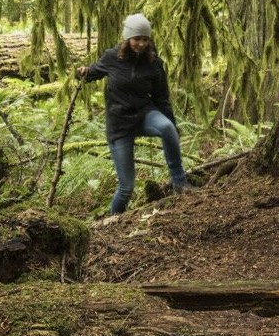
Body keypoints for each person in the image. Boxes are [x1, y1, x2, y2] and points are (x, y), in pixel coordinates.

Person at [77, 13, 193, 216]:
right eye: (137, 39)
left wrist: (172, 124)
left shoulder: (154, 63)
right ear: (128, 38)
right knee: (126, 188)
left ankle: (179, 181)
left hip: (144, 114)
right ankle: (112, 222)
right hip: (119, 125)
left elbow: (161, 96)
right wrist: (84, 72)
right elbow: (93, 72)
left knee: (167, 128)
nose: (140, 43)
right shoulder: (112, 57)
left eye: (145, 39)